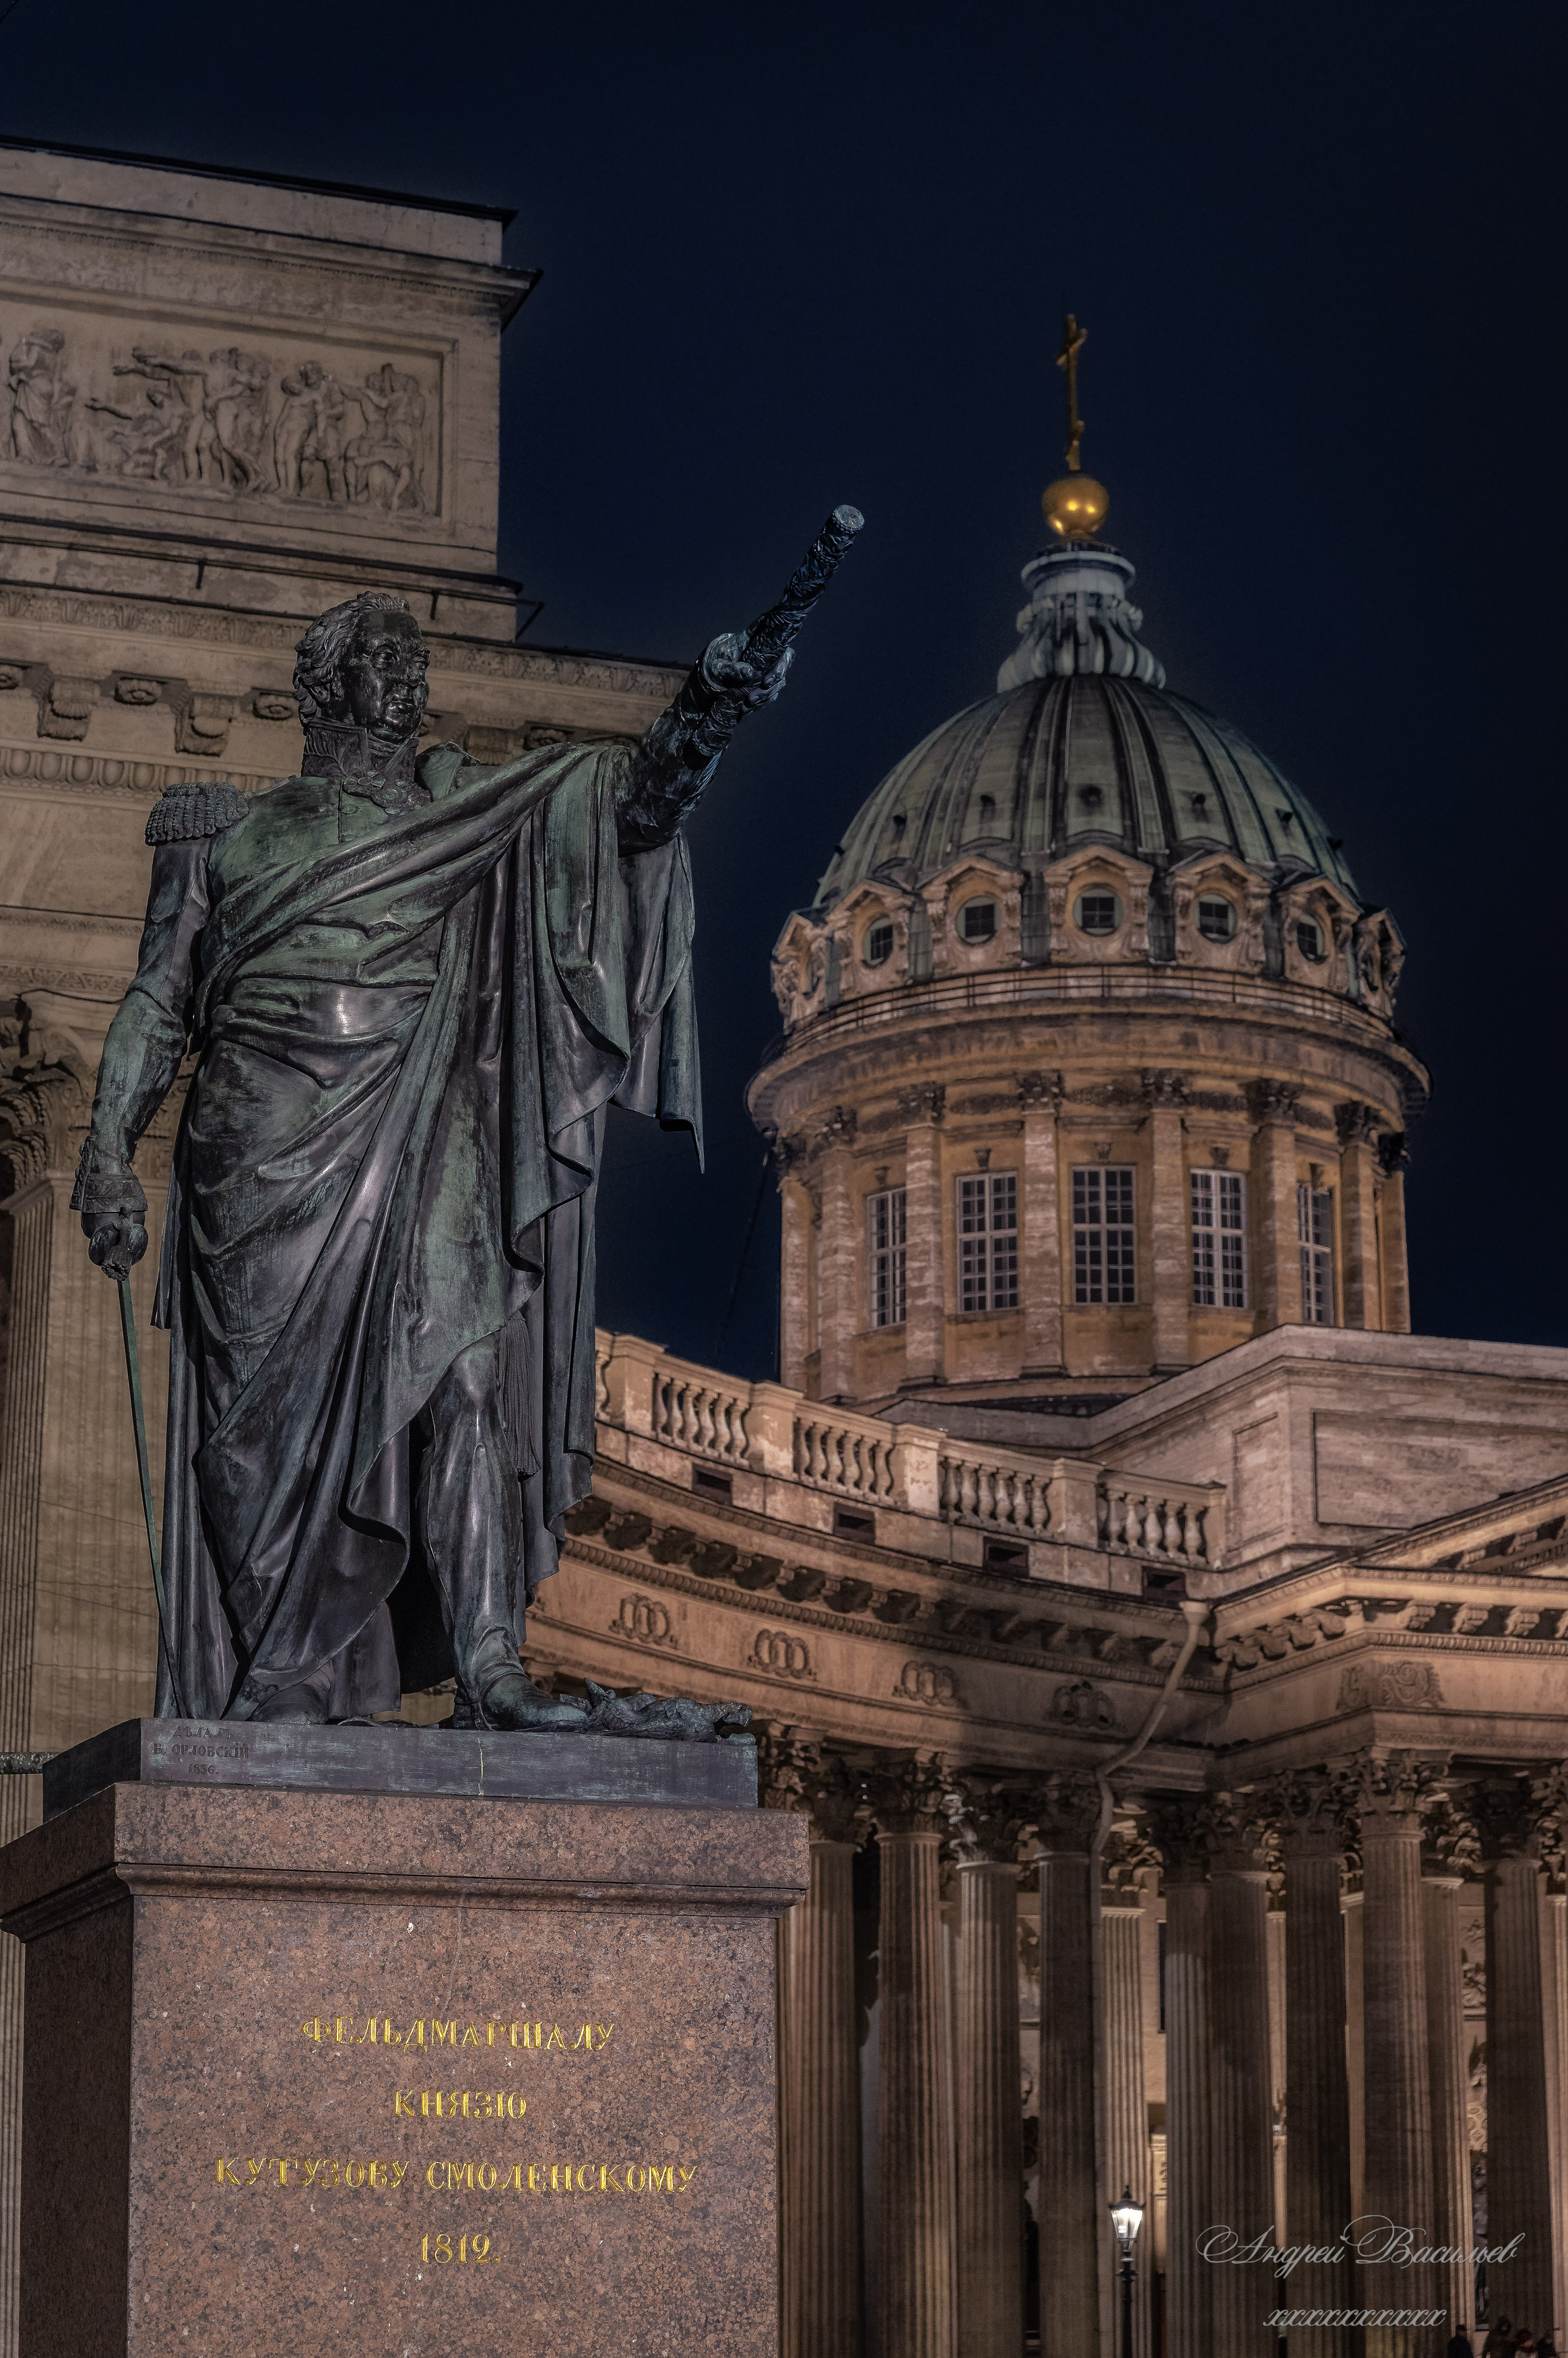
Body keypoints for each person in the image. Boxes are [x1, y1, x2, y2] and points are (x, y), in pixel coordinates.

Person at [75, 585, 789, 1728]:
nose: (410, 681)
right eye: (385, 661)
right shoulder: (227, 828)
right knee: (263, 1431)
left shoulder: (473, 813)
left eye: (418, 664)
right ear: (324, 685)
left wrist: (705, 709)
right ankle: (282, 1671)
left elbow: (634, 808)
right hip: (258, 1142)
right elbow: (161, 1000)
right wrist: (104, 1151)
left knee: (463, 1378)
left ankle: (491, 1659)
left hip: (425, 1121)